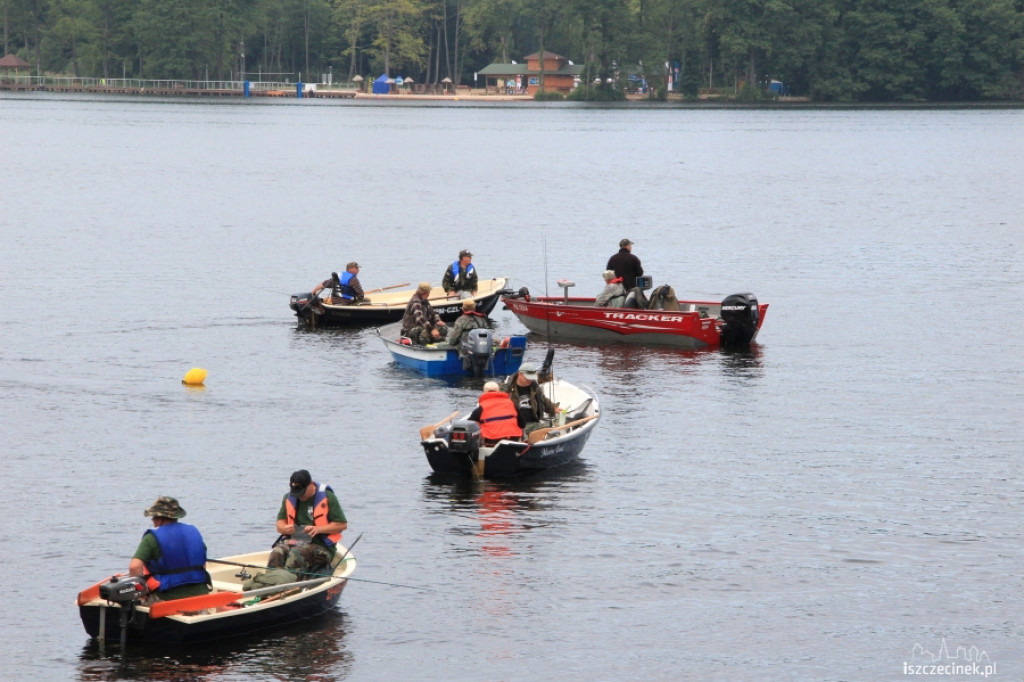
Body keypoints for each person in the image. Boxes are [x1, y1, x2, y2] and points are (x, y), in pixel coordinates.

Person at [129, 496, 211, 604]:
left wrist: (140, 593)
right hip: (201, 597)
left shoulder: (151, 538)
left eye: (154, 517)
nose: (152, 520)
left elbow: (134, 567)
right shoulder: (193, 532)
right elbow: (202, 563)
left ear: (161, 518)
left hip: (167, 599)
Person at [269, 470, 348, 577]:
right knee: (277, 552)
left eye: (302, 492)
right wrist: (285, 528)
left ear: (311, 484)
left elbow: (342, 525)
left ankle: (291, 581)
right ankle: (271, 580)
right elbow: (279, 525)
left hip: (321, 547)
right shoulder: (288, 498)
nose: (299, 496)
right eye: (296, 493)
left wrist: (318, 529)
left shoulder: (328, 497)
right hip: (295, 541)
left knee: (296, 553)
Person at [500, 363, 560, 431]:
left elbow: (543, 399)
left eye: (531, 378)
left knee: (553, 429)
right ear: (520, 374)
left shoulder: (535, 388)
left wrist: (553, 408)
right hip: (514, 424)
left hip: (533, 423)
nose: (530, 380)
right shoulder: (506, 389)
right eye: (527, 378)